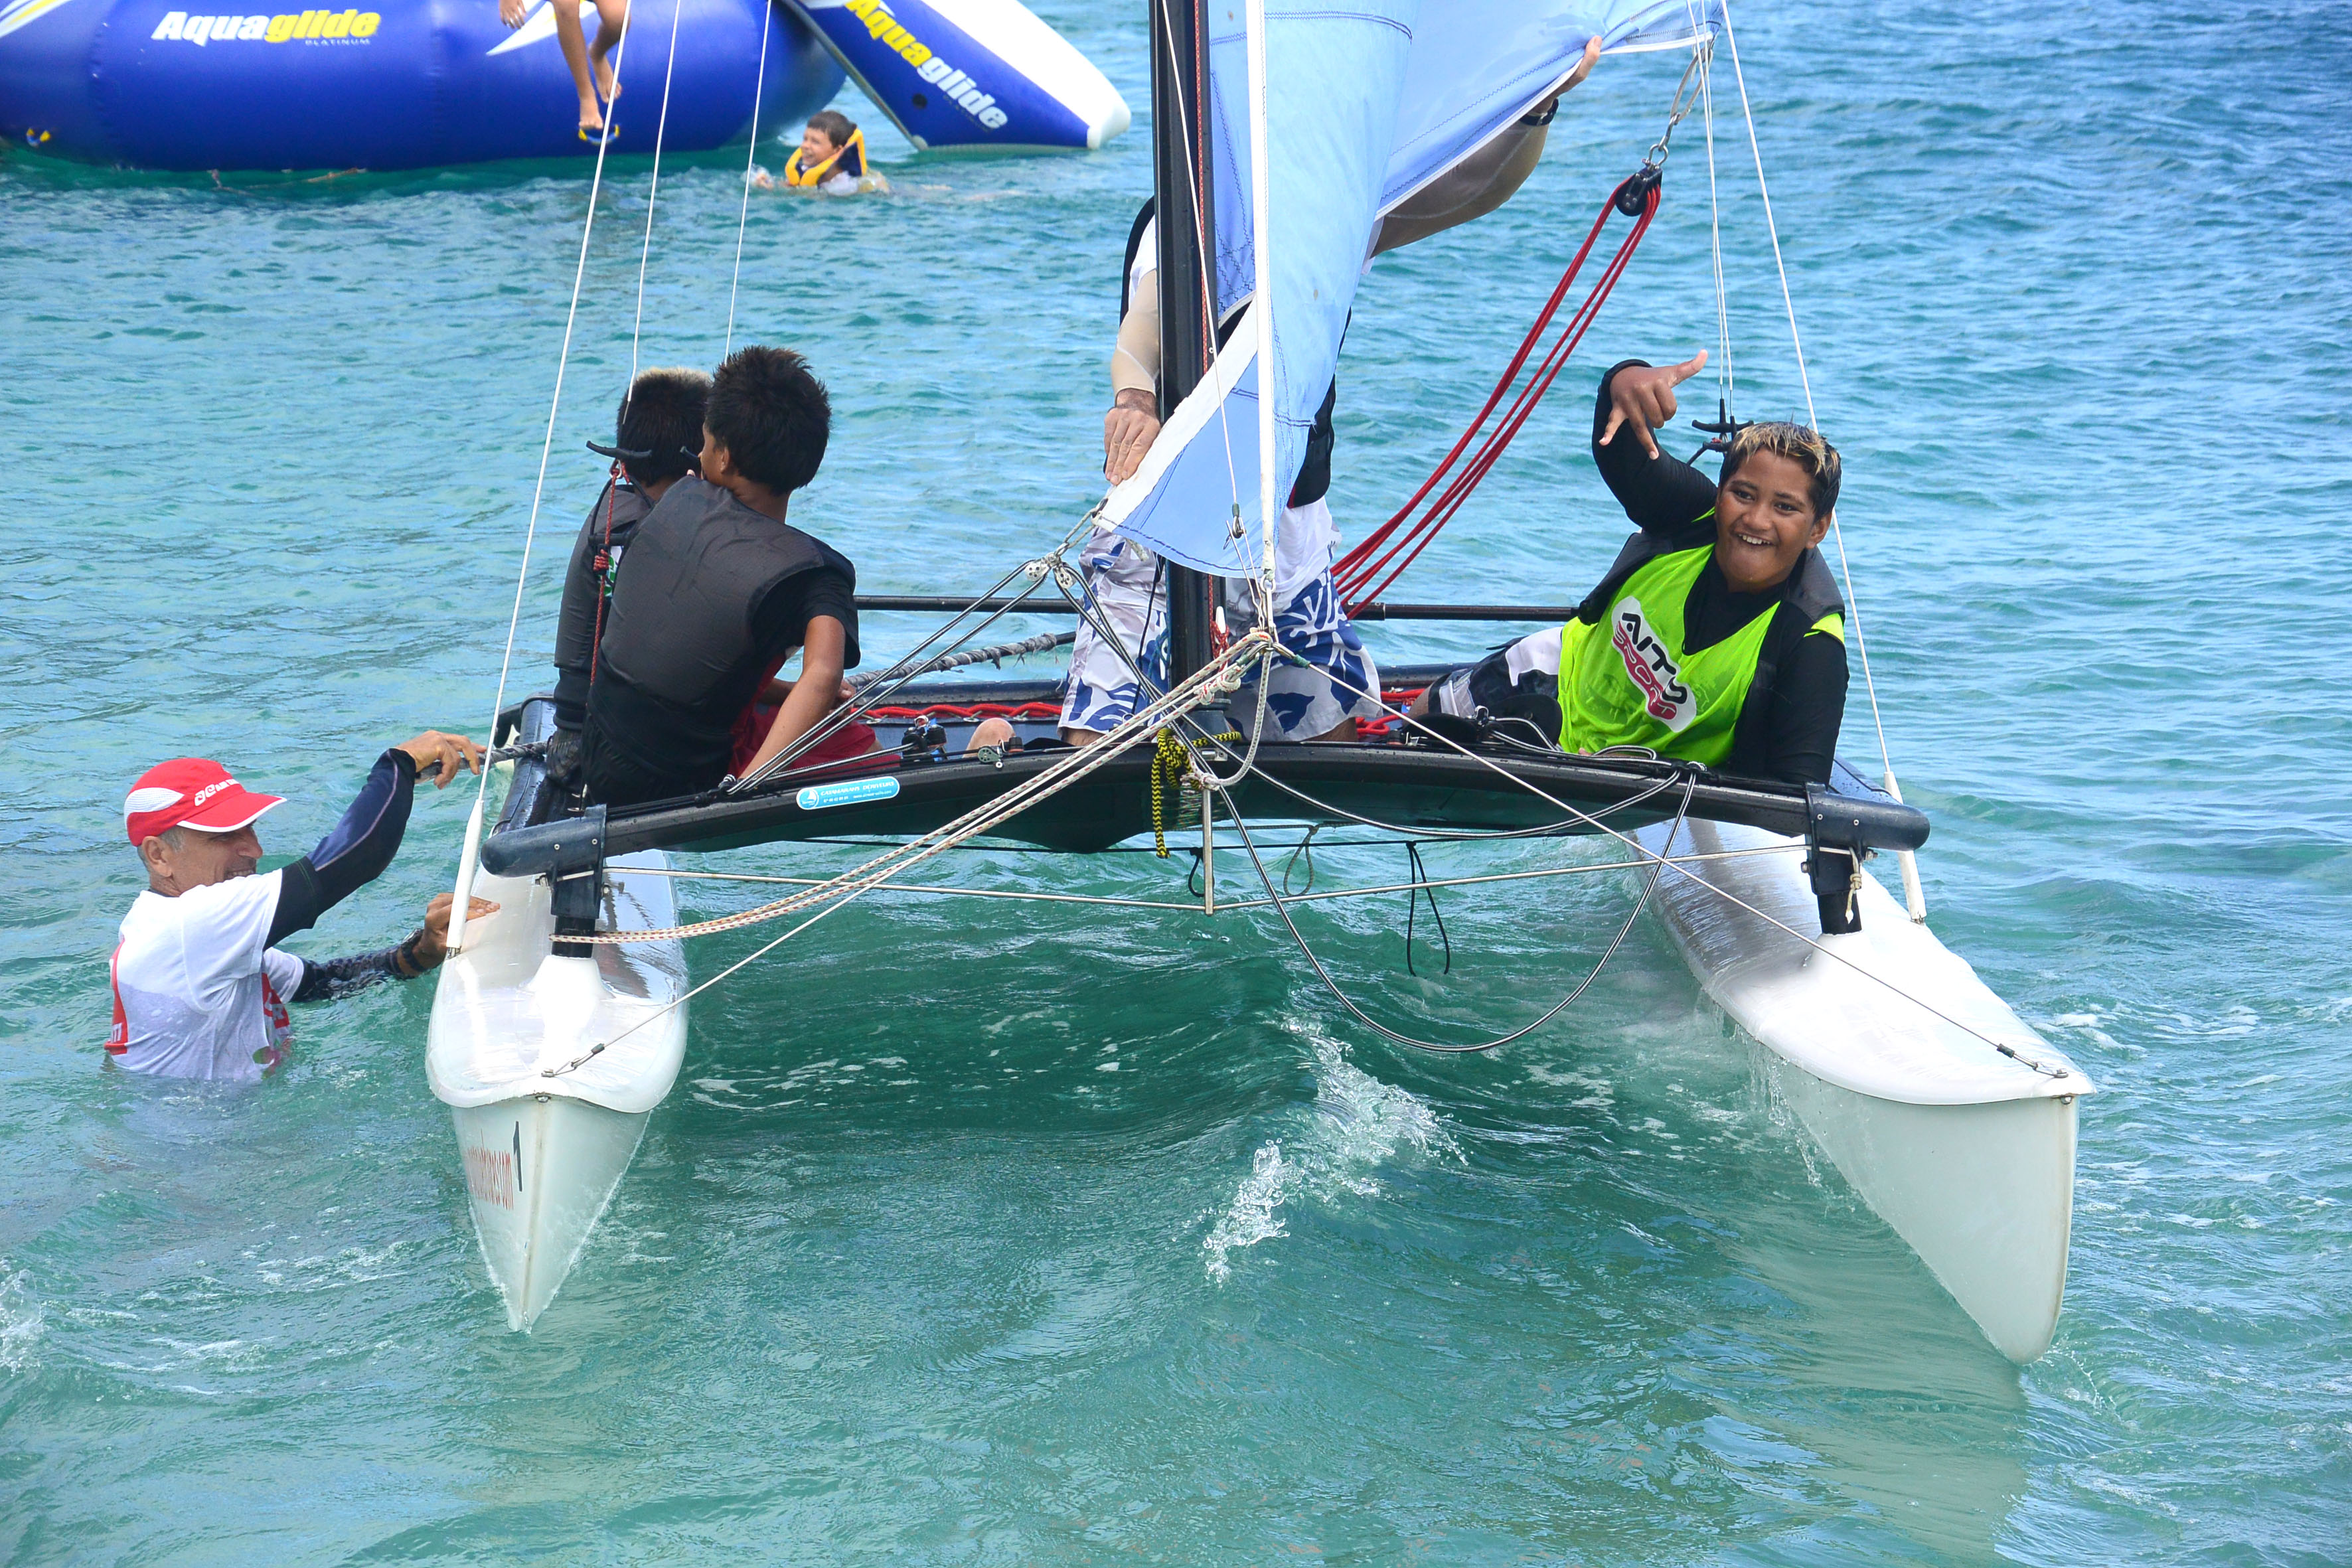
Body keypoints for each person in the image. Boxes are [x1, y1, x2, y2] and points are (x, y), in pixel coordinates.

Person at [1069, 39, 1603, 747]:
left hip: (1285, 511)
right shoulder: (1192, 211)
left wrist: (1536, 111)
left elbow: (1472, 190)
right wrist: (1133, 401)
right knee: (1103, 736)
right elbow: (1143, 332)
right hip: (1170, 502)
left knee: (1328, 726)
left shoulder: (1328, 213)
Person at [1413, 351, 1850, 785]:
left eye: (1784, 507)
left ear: (1817, 528)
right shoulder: (1692, 518)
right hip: (1547, 682)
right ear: (1719, 495)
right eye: (1742, 494)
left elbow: (1795, 793)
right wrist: (1623, 379)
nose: (1755, 520)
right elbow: (1622, 449)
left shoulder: (1810, 643)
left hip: (1635, 781)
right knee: (1413, 732)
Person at [581, 345, 875, 807]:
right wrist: (743, 791)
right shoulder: (818, 575)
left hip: (599, 756)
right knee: (856, 742)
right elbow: (822, 675)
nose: (697, 455)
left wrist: (784, 694)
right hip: (685, 785)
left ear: (723, 459)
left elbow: (683, 660)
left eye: (703, 442)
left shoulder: (678, 502)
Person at [108, 734, 494, 1081]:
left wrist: (421, 952)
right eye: (225, 835)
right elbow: (353, 860)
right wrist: (399, 764)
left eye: (250, 827)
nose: (254, 850)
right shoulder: (189, 925)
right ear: (158, 856)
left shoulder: (177, 933)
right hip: (195, 1149)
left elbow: (321, 982)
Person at [546, 367, 712, 783]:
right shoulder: (640, 533)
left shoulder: (625, 508)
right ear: (698, 460)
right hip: (601, 746)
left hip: (590, 726)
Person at [751, 110, 888, 196]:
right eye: (805, 139)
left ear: (837, 151)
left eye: (815, 142)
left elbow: (817, 197)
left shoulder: (843, 183)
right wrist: (768, 186)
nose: (805, 146)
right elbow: (792, 187)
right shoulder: (806, 169)